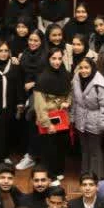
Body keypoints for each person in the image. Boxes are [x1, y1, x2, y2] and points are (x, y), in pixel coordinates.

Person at [70, 57, 104, 178]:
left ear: (93, 68)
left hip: (95, 121)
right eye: (81, 68)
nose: (84, 70)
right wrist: (72, 118)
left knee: (95, 150)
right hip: (80, 120)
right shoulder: (76, 80)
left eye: (87, 67)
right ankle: (85, 174)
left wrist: (103, 123)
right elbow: (74, 101)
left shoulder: (100, 83)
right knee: (84, 149)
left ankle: (97, 176)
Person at [32, 48, 72, 177]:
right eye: (53, 58)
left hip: (62, 117)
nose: (57, 62)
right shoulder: (42, 78)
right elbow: (39, 105)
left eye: (59, 59)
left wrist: (67, 102)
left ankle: (59, 171)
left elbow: (69, 92)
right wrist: (47, 124)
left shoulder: (66, 75)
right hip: (48, 118)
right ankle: (50, 175)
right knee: (49, 149)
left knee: (61, 147)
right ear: (48, 59)